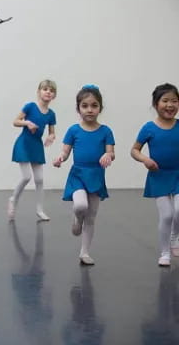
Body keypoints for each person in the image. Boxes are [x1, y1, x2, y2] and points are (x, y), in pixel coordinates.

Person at [53, 85, 115, 265]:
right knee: (80, 205)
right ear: (78, 108)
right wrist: (60, 158)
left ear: (100, 108)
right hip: (78, 174)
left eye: (94, 105)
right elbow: (65, 151)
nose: (89, 110)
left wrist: (107, 155)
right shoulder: (74, 130)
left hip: (96, 175)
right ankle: (76, 218)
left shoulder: (105, 131)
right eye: (85, 105)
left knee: (92, 216)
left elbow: (111, 152)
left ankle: (84, 252)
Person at [131, 83, 179, 266]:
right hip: (159, 176)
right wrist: (145, 159)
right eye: (165, 101)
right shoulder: (149, 128)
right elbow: (134, 150)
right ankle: (165, 252)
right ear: (156, 104)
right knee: (167, 215)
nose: (170, 105)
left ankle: (175, 237)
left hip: (178, 174)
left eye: (174, 101)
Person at [8, 80, 57, 222]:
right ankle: (13, 199)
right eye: (45, 89)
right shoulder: (30, 107)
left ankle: (40, 210)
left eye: (51, 90)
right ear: (39, 91)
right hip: (24, 143)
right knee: (26, 177)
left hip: (37, 145)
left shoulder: (51, 114)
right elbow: (15, 121)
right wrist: (27, 123)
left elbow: (52, 132)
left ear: (54, 96)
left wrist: (51, 137)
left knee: (40, 179)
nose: (48, 92)